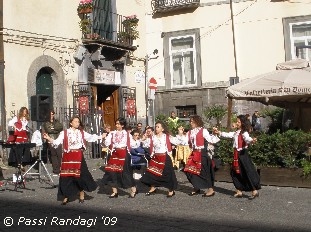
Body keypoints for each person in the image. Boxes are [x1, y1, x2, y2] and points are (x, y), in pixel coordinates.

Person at [43, 116, 102, 205]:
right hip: (68, 156)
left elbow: (90, 137)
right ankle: (66, 195)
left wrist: (101, 136)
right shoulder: (64, 133)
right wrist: (49, 138)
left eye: (78, 122)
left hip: (78, 156)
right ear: (71, 123)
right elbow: (57, 142)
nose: (77, 123)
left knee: (80, 176)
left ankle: (81, 192)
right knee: (66, 176)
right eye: (75, 121)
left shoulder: (81, 133)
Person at [213, 114, 260, 199]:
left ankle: (254, 190)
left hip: (242, 154)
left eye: (239, 122)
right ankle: (239, 190)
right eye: (237, 121)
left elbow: (247, 139)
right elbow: (228, 135)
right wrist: (219, 132)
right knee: (235, 172)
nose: (237, 123)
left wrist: (252, 140)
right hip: (237, 154)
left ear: (242, 123)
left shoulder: (244, 132)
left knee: (246, 172)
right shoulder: (237, 132)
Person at [183, 115, 220, 197]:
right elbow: (184, 141)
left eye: (192, 121)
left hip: (202, 153)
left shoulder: (203, 131)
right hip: (194, 153)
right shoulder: (190, 132)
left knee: (204, 171)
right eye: (190, 121)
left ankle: (211, 190)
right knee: (188, 170)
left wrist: (215, 134)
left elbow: (211, 140)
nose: (191, 123)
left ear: (197, 121)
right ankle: (197, 187)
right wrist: (179, 134)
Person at [102, 117, 137, 198]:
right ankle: (115, 192)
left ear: (122, 125)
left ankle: (133, 188)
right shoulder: (112, 133)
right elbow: (106, 143)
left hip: (123, 154)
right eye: (116, 123)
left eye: (118, 124)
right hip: (114, 154)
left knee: (125, 173)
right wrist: (104, 138)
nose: (116, 125)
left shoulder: (127, 134)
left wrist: (137, 141)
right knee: (112, 172)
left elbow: (133, 144)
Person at [140, 121, 178, 197]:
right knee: (151, 173)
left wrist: (180, 134)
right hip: (156, 157)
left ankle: (171, 190)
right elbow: (146, 144)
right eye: (156, 126)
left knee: (167, 174)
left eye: (158, 127)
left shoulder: (166, 136)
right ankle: (153, 188)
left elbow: (176, 141)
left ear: (162, 129)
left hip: (165, 157)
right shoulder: (152, 138)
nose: (156, 128)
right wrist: (143, 139)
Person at [42, 110, 63, 176]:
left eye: (53, 114)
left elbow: (60, 127)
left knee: (59, 154)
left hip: (58, 139)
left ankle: (60, 168)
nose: (52, 115)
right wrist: (54, 129)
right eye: (51, 114)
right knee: (53, 154)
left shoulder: (56, 121)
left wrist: (53, 128)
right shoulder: (46, 123)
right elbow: (48, 130)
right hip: (50, 139)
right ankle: (55, 170)